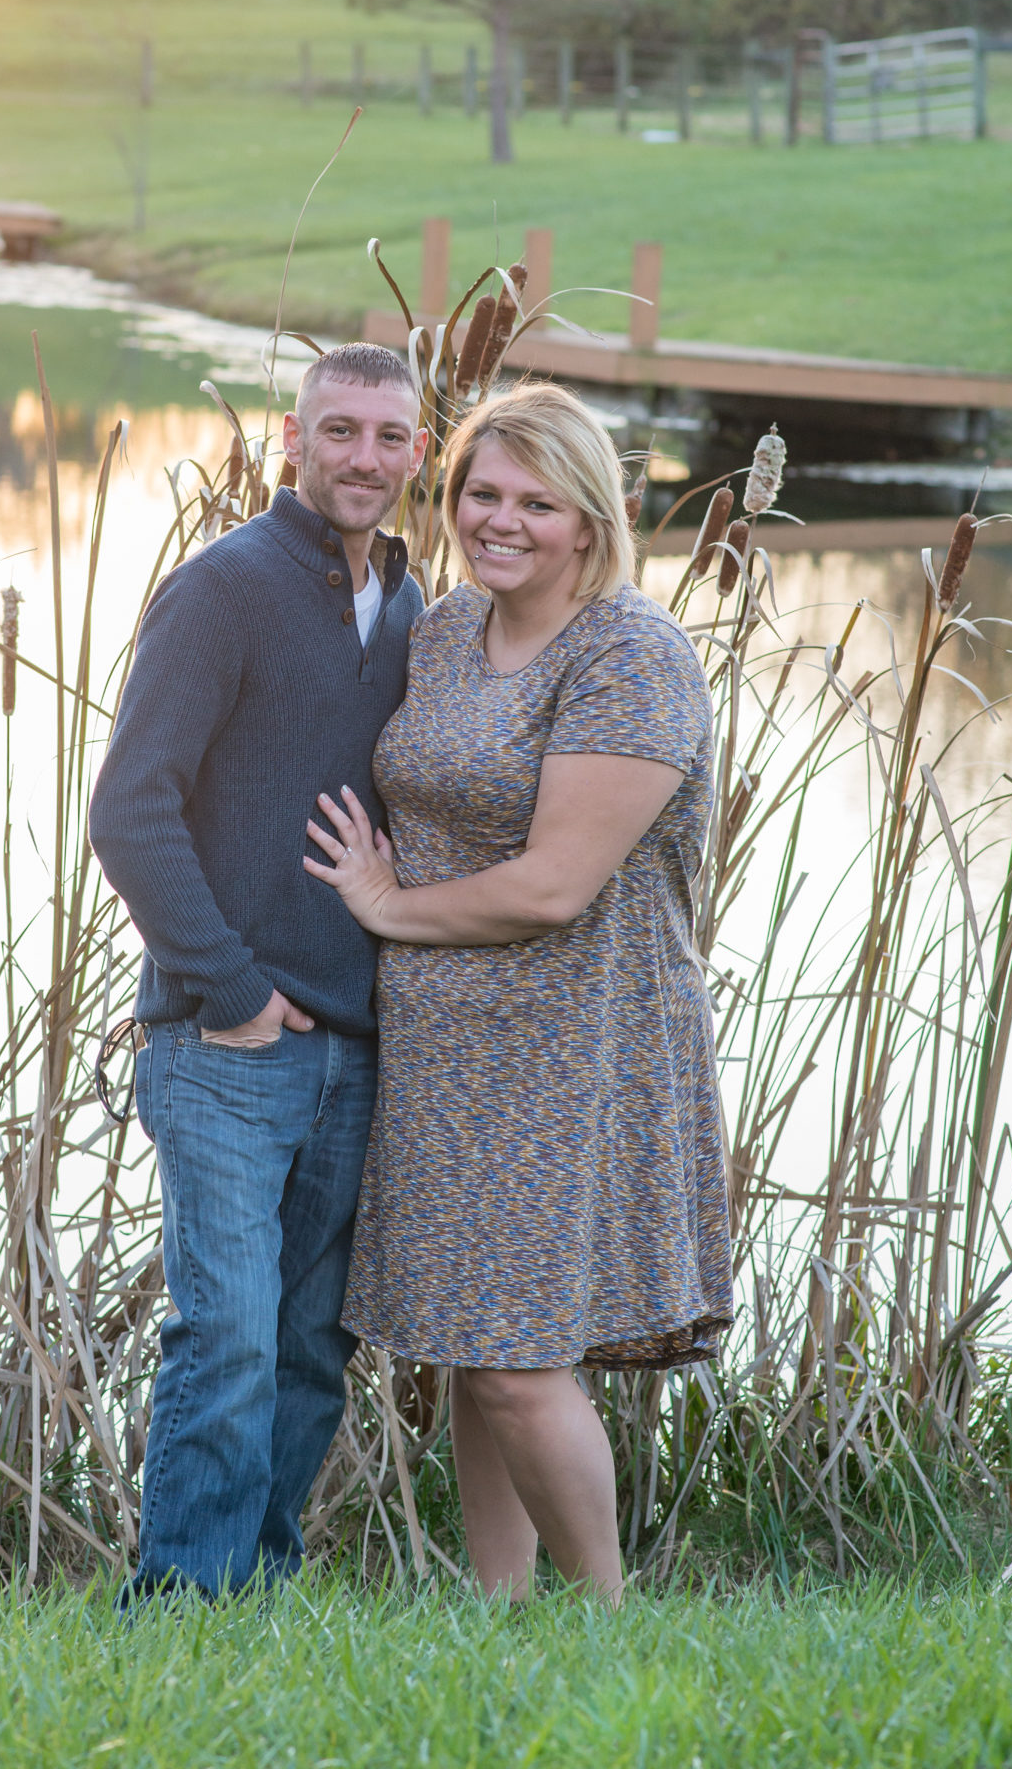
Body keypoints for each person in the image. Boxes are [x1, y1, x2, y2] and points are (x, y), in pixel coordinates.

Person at [305, 380, 731, 1605]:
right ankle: (502, 1612)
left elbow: (553, 886)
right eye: (481, 494)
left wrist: (387, 909)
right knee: (470, 1339)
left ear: (591, 520)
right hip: (444, 1042)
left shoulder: (630, 655)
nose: (501, 521)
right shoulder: (445, 630)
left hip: (577, 1041)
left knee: (519, 1357)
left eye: (537, 503)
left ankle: (603, 1619)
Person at [89, 343, 428, 1599]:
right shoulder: (223, 589)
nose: (364, 458)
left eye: (389, 436)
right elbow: (130, 811)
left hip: (358, 1048)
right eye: (339, 430)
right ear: (292, 441)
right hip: (228, 1045)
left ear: (419, 452)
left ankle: (253, 1595)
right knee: (225, 1336)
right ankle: (181, 1601)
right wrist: (231, 993)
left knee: (307, 1352)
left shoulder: (411, 605)